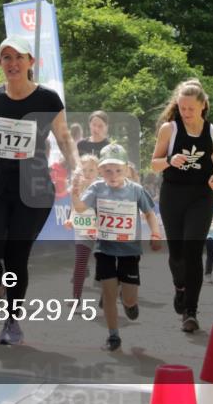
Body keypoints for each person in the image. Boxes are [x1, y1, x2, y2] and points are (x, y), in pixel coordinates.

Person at [0, 36, 80, 345]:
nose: (12, 63)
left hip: (33, 186)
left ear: (30, 63)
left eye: (18, 57)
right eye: (6, 57)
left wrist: (75, 166)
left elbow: (64, 137)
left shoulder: (48, 100)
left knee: (15, 256)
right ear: (0, 63)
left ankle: (12, 322)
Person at [150, 79, 213, 333]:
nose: (186, 113)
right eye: (182, 108)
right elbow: (154, 163)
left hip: (201, 197)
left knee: (193, 252)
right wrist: (171, 160)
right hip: (173, 194)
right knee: (177, 255)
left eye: (191, 108)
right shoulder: (168, 129)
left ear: (203, 106)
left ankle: (191, 312)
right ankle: (179, 287)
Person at [73, 143, 162, 351]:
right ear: (101, 170)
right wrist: (74, 192)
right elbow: (80, 208)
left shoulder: (136, 190)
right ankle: (113, 336)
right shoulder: (97, 188)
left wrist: (155, 233)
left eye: (118, 170)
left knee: (129, 299)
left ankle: (129, 301)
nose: (112, 175)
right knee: (109, 293)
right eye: (107, 170)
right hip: (104, 248)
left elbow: (149, 213)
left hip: (129, 251)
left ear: (126, 170)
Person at [63, 154, 99, 300]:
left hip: (102, 232)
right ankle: (76, 297)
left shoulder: (104, 187)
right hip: (83, 230)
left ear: (98, 171)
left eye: (91, 170)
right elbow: (74, 209)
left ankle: (110, 295)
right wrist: (70, 220)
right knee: (80, 263)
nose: (88, 173)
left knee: (105, 263)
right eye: (85, 170)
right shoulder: (76, 189)